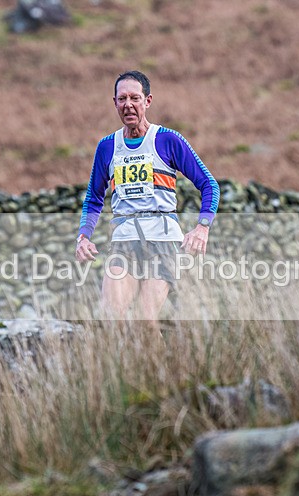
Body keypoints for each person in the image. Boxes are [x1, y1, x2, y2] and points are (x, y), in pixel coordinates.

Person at [75, 70, 220, 321]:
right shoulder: (107, 146)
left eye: (135, 98)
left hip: (162, 241)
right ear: (115, 103)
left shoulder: (167, 140)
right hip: (124, 240)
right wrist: (83, 237)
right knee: (111, 316)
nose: (128, 105)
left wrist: (202, 227)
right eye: (122, 99)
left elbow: (209, 184)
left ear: (147, 101)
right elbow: (93, 198)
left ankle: (159, 362)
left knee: (144, 320)